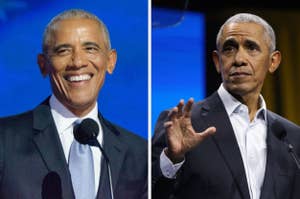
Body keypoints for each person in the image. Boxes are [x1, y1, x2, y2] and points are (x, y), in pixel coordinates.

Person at [0, 9, 147, 199]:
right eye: (63, 50)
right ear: (43, 64)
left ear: (110, 61)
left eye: (90, 49)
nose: (77, 62)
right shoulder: (4, 140)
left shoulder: (139, 153)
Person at [152, 13, 300, 199]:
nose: (239, 59)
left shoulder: (291, 137)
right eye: (229, 49)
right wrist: (172, 161)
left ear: (273, 61)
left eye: (251, 48)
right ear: (217, 61)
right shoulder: (181, 124)